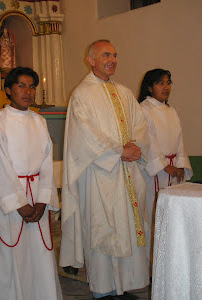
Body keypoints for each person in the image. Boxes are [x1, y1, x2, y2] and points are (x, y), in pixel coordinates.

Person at [59, 40, 150, 300]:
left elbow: (140, 125)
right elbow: (84, 135)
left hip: (127, 175)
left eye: (114, 55)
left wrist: (134, 146)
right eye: (106, 55)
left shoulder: (124, 92)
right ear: (91, 60)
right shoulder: (82, 94)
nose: (112, 59)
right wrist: (118, 151)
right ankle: (104, 290)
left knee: (129, 230)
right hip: (99, 176)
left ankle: (126, 286)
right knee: (102, 229)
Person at [0, 67, 62, 300]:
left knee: (39, 254)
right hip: (10, 197)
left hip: (36, 194)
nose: (28, 92)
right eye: (22, 86)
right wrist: (19, 203)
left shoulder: (39, 121)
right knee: (9, 254)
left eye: (32, 86)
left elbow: (47, 162)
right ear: (8, 90)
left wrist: (42, 199)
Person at [138, 68, 193, 264]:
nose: (166, 87)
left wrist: (179, 164)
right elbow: (147, 140)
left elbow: (180, 142)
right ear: (150, 87)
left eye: (168, 82)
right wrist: (163, 165)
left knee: (172, 220)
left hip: (173, 172)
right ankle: (152, 264)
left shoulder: (171, 111)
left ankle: (171, 262)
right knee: (153, 218)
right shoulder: (144, 109)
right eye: (161, 83)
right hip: (155, 173)